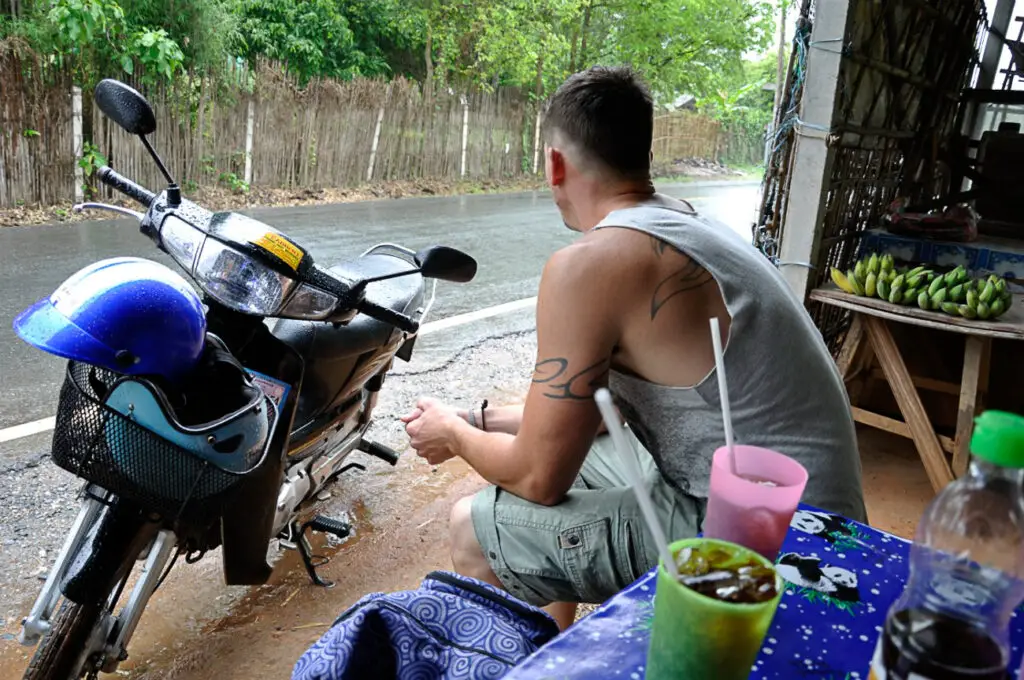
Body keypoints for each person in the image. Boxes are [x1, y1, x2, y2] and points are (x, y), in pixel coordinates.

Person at [400, 66, 865, 630]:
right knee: (534, 472)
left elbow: (537, 476)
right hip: (813, 510)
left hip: (773, 539)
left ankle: (527, 659)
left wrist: (452, 432)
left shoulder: (590, 265)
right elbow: (608, 414)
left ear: (555, 163)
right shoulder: (687, 223)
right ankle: (555, 654)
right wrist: (482, 419)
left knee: (473, 526)